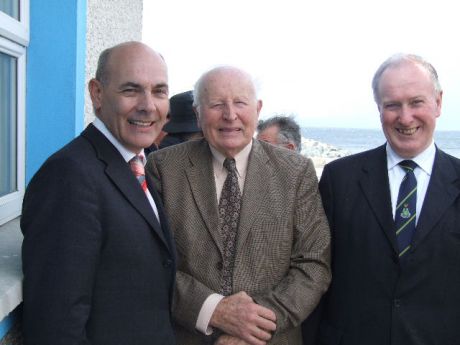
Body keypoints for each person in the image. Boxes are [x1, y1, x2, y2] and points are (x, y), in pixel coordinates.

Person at [147, 66, 331, 345]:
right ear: (198, 113)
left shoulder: (296, 172)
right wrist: (213, 311)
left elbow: (314, 263)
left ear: (257, 109)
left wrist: (254, 326)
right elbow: (152, 260)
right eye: (217, 104)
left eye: (240, 103)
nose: (230, 115)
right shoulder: (163, 167)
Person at [21, 41, 176, 345]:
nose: (148, 105)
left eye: (159, 91)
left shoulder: (137, 164)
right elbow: (55, 325)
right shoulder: (68, 175)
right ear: (97, 93)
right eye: (131, 90)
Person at [315, 54, 460, 344]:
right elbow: (315, 271)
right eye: (392, 105)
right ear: (379, 109)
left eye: (416, 102)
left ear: (439, 103)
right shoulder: (338, 178)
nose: (405, 118)